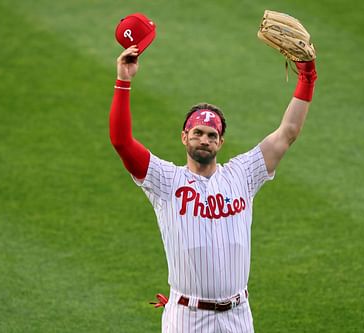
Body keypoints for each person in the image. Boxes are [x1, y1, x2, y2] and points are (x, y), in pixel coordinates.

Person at [109, 45, 317, 333]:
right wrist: (124, 79)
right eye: (197, 133)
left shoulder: (243, 173)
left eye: (211, 135)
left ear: (220, 143)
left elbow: (288, 133)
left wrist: (307, 77)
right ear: (184, 137)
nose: (204, 139)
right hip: (187, 317)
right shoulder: (165, 181)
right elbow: (121, 141)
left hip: (238, 315)